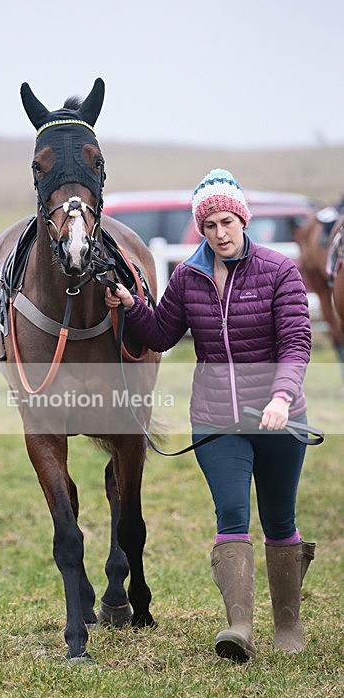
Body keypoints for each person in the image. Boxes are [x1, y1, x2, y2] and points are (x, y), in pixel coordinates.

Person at [105, 168, 315, 663]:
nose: (220, 233)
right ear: (200, 229)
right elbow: (160, 334)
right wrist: (133, 305)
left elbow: (297, 342)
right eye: (209, 226)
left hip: (279, 418)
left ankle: (288, 626)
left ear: (242, 219)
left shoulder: (278, 271)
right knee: (232, 515)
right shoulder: (187, 277)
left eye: (227, 222)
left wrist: (282, 397)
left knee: (280, 520)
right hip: (217, 420)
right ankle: (238, 626)